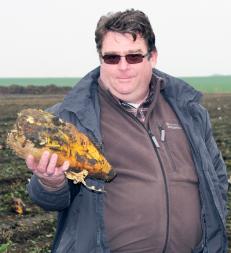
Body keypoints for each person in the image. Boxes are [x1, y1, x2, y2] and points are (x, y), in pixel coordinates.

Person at [26, 9, 228, 253]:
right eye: (112, 58)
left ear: (152, 57)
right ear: (101, 59)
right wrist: (50, 182)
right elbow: (51, 200)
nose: (123, 67)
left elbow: (215, 178)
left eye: (133, 57)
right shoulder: (70, 119)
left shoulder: (189, 112)